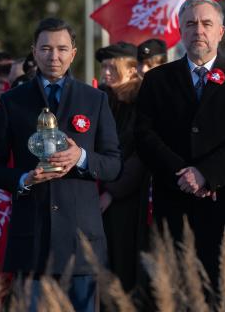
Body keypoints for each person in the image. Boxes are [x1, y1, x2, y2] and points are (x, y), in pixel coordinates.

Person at [0, 18, 122, 311]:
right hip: (32, 239)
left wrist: (81, 157)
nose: (53, 56)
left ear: (74, 52)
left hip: (80, 241)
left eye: (61, 49)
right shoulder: (12, 101)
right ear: (34, 51)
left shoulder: (95, 99)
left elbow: (112, 164)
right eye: (45, 48)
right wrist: (23, 179)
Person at [135, 0, 225, 285]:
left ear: (221, 31)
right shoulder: (158, 80)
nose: (199, 30)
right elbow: (144, 135)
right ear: (180, 30)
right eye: (191, 24)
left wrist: (207, 174)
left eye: (207, 23)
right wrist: (182, 174)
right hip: (174, 207)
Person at [95, 42, 149, 291]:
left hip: (127, 199)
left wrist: (112, 191)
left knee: (124, 268)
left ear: (130, 69)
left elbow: (141, 155)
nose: (105, 73)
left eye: (111, 67)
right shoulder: (101, 101)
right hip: (99, 195)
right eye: (103, 67)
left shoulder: (142, 102)